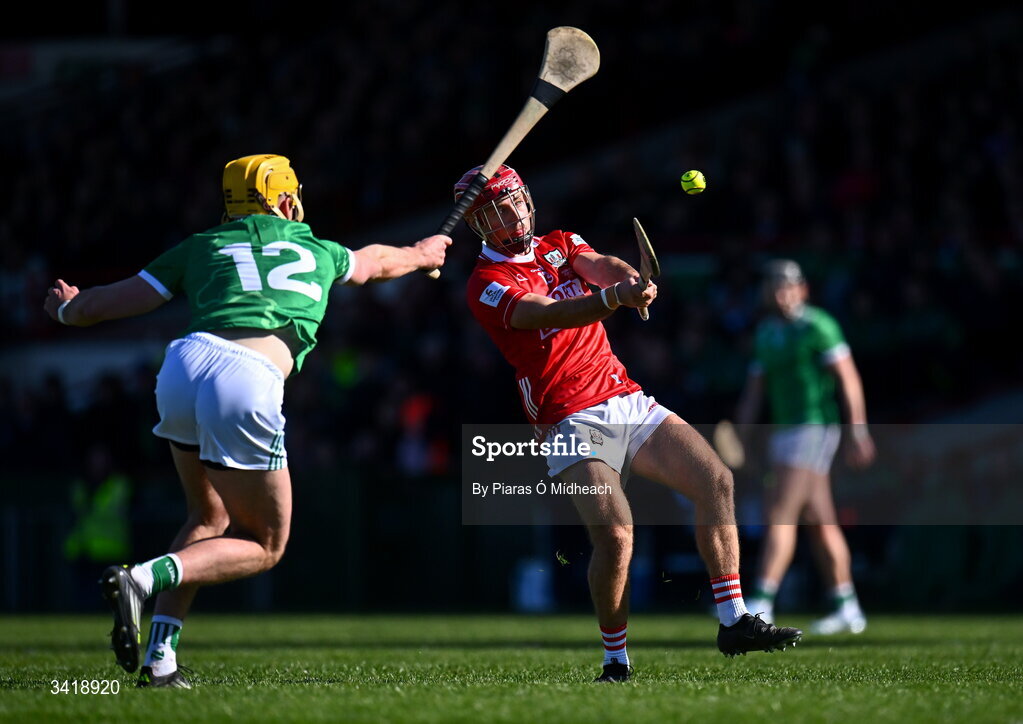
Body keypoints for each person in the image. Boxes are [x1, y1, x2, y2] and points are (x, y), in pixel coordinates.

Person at [44, 154, 450, 688]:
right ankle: (142, 579)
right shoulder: (317, 250)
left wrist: (66, 311)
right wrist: (421, 255)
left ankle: (160, 660)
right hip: (247, 377)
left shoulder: (202, 246)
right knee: (266, 544)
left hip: (183, 365)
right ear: (286, 199)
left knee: (205, 516)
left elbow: (107, 304)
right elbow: (374, 261)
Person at [458, 164, 802, 683]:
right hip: (567, 418)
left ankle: (733, 620)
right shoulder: (486, 283)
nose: (515, 212)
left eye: (517, 200)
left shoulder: (560, 241)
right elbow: (543, 314)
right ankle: (615, 660)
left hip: (624, 397)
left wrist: (630, 283)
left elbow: (602, 264)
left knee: (715, 480)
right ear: (481, 225)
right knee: (617, 535)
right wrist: (611, 300)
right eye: (498, 209)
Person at [735, 259, 876, 634]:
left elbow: (848, 380)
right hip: (783, 433)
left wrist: (857, 430)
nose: (781, 295)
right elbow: (754, 392)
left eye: (787, 287)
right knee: (820, 522)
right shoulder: (766, 332)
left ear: (802, 289)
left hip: (814, 429)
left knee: (780, 511)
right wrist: (742, 436)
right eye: (774, 288)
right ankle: (848, 607)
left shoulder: (819, 326)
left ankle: (761, 602)